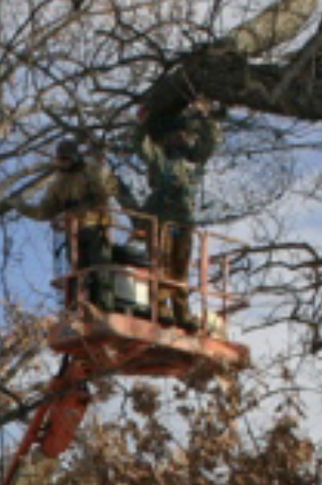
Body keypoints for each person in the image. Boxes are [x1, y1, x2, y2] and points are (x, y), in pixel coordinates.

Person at [138, 96, 221, 324]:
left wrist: (206, 117)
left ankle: (182, 312)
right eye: (177, 134)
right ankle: (162, 309)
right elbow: (141, 145)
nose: (182, 138)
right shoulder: (159, 158)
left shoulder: (194, 160)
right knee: (160, 263)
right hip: (161, 216)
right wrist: (142, 123)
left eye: (185, 134)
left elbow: (211, 141)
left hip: (184, 218)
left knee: (181, 266)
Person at [26, 139, 125, 309]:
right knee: (78, 270)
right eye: (60, 160)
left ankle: (103, 306)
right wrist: (21, 207)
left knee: (100, 267)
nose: (63, 164)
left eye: (66, 159)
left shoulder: (91, 171)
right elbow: (45, 210)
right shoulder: (59, 183)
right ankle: (78, 306)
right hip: (73, 231)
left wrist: (82, 208)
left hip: (96, 226)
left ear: (75, 157)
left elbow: (104, 194)